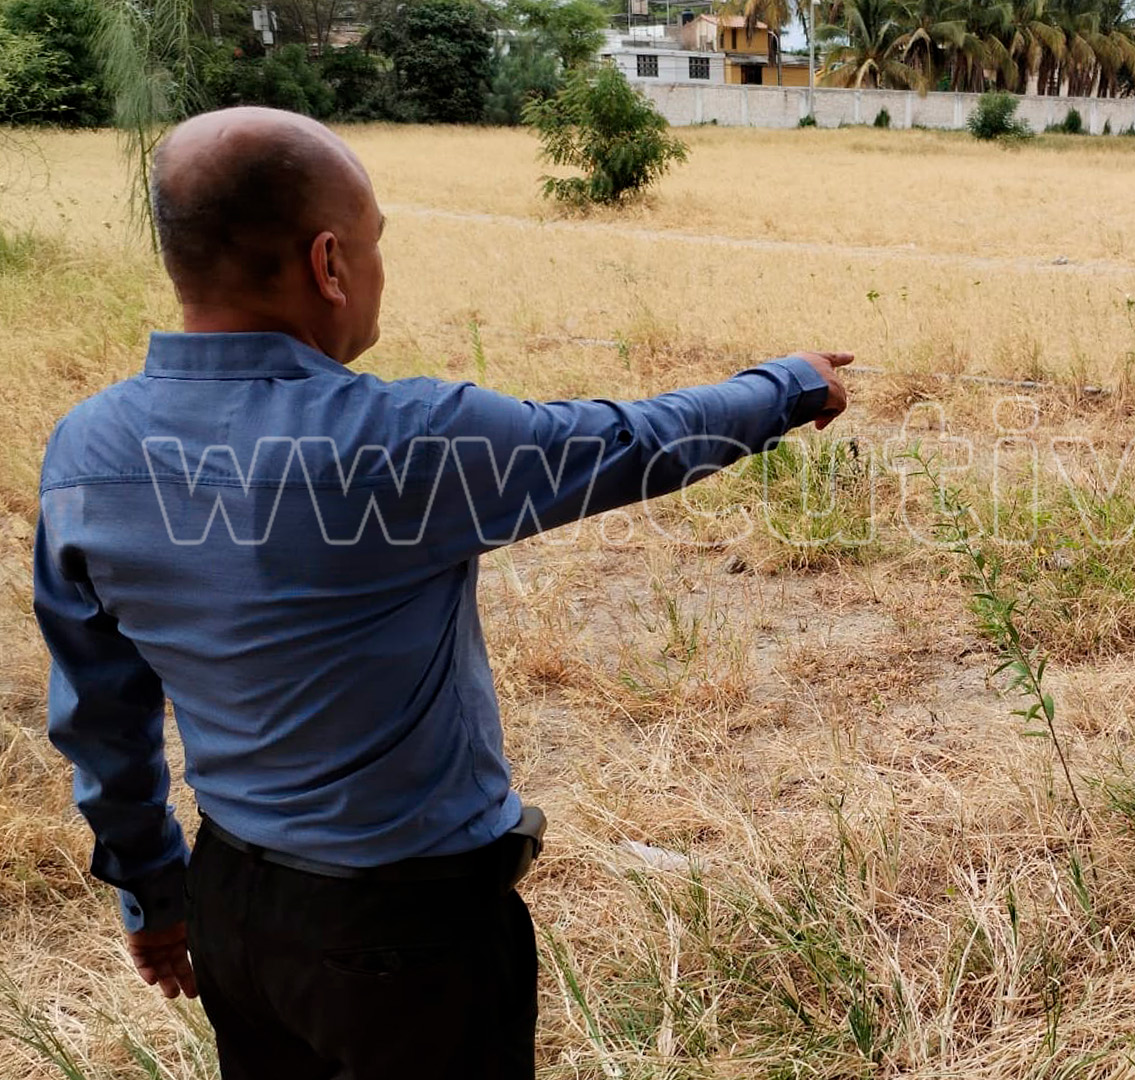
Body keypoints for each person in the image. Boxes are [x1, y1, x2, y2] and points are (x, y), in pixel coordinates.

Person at [32, 106, 850, 1079]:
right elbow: (637, 441)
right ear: (329, 263)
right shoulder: (409, 439)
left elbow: (100, 717)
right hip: (406, 933)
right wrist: (790, 386)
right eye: (376, 245)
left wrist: (155, 896)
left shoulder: (87, 451)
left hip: (235, 906)